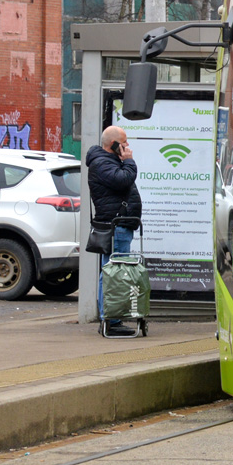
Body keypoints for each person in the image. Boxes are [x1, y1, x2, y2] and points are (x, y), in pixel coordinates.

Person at [86, 125, 142, 336]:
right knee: (114, 274)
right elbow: (123, 180)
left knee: (111, 272)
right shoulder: (102, 163)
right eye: (124, 142)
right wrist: (128, 161)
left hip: (119, 224)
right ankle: (111, 320)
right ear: (113, 144)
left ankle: (110, 318)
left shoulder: (107, 161)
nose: (127, 146)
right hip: (116, 225)